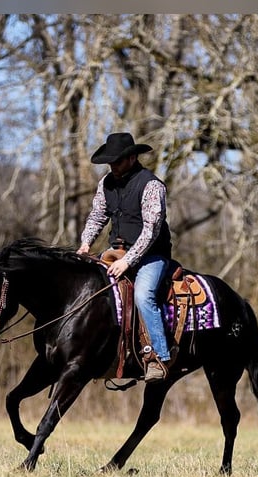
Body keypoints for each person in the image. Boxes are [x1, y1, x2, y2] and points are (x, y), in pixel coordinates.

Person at [77, 132, 173, 383]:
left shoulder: (151, 185)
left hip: (152, 255)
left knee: (143, 295)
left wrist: (128, 261)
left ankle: (158, 357)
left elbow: (151, 230)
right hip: (116, 251)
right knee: (88, 290)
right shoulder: (106, 183)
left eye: (117, 161)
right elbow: (98, 215)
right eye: (110, 162)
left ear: (132, 158)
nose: (113, 167)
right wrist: (86, 243)